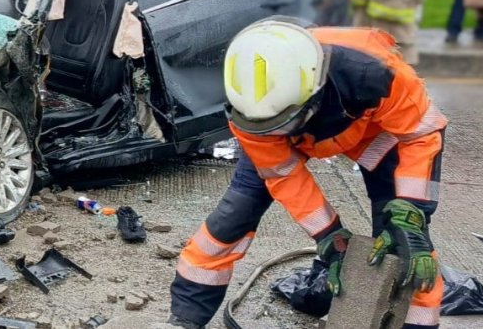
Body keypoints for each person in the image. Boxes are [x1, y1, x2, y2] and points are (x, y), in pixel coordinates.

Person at [168, 19, 445, 329]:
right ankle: (185, 318)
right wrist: (329, 234)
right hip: (289, 133)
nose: (277, 134)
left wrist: (412, 211)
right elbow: (285, 176)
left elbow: (421, 134)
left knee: (402, 243)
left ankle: (415, 324)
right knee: (232, 219)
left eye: (283, 124)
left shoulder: (375, 73)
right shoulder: (248, 104)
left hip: (370, 132)